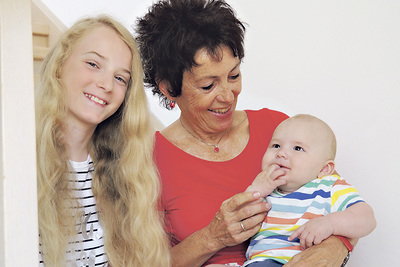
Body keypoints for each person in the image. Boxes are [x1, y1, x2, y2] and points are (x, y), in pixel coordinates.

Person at [136, 0, 356, 266]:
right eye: (208, 85)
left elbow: (340, 202)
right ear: (169, 88)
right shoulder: (147, 162)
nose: (228, 96)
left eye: (234, 75)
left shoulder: (280, 132)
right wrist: (212, 238)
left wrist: (334, 248)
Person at [36, 15, 170, 266]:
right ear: (60, 64)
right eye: (93, 64)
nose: (106, 84)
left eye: (121, 78)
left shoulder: (124, 173)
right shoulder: (18, 163)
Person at [241, 114, 376, 266]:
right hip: (258, 262)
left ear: (325, 169)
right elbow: (240, 225)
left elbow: (367, 218)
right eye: (276, 146)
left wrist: (330, 223)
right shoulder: (267, 190)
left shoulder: (328, 187)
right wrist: (255, 190)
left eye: (298, 148)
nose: (281, 153)